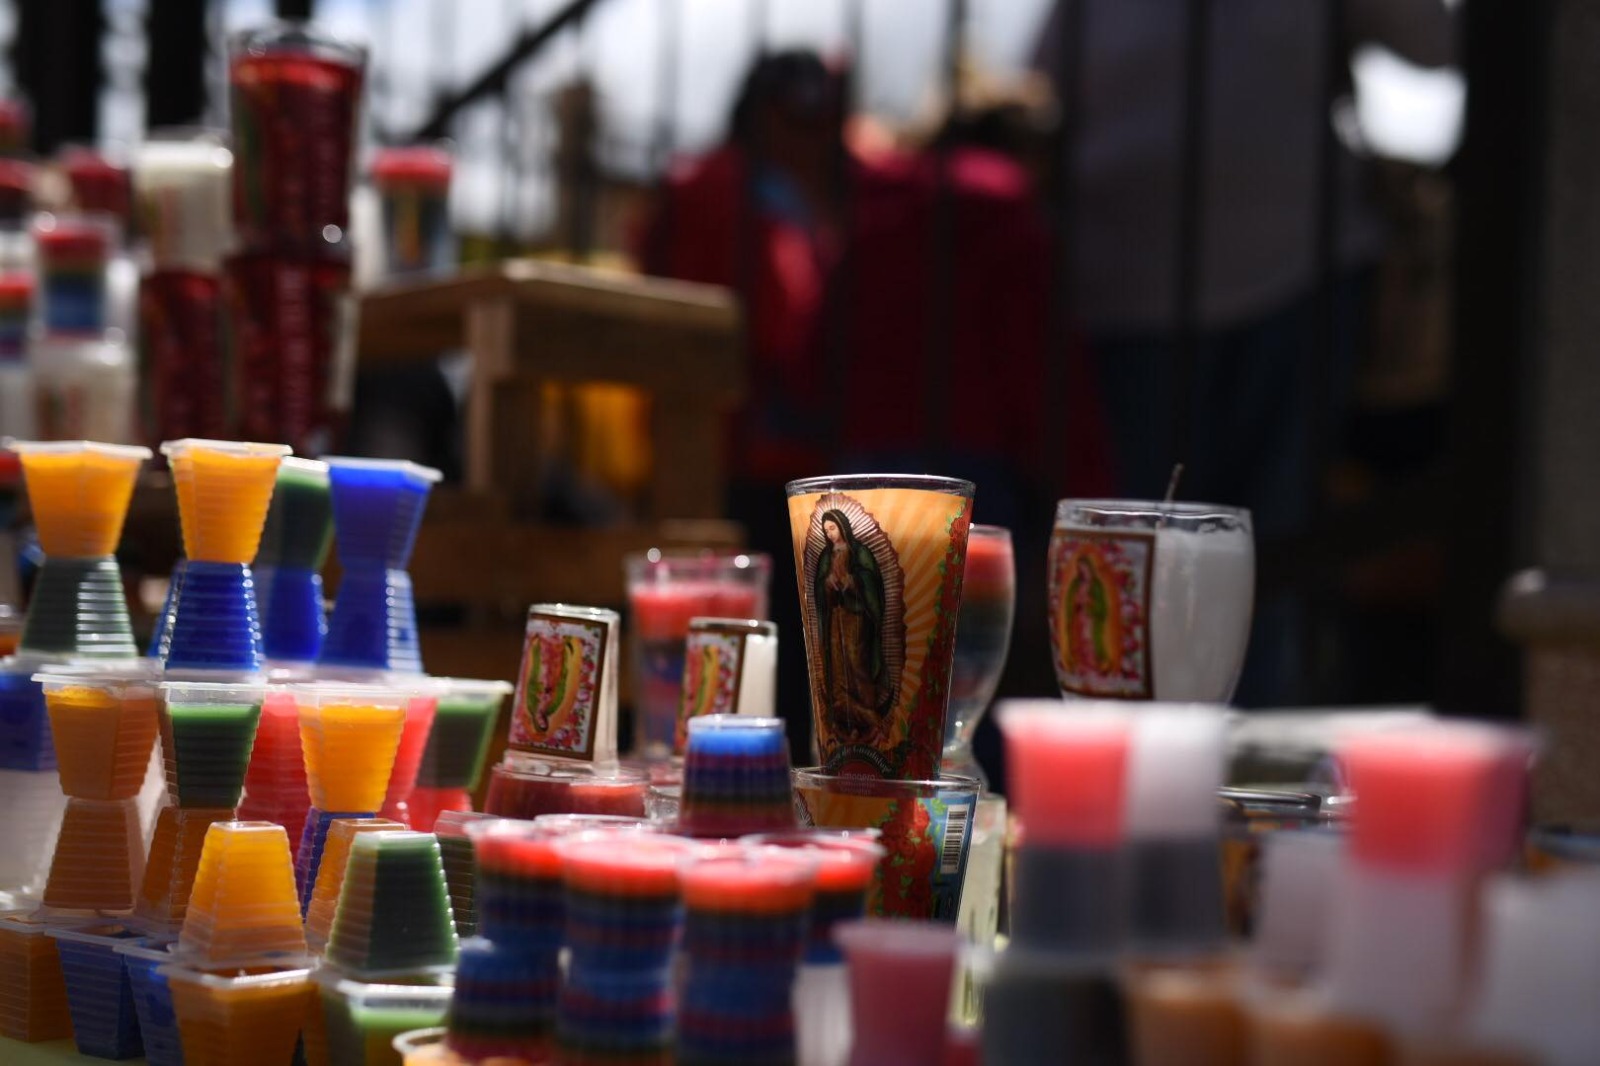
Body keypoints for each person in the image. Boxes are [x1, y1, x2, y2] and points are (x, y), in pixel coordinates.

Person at [1031, 0, 1455, 704]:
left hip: (1295, 287)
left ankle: (1234, 750)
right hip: (1127, 297)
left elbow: (1437, 43)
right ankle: (1133, 745)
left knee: (1267, 548)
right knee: (1132, 551)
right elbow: (1043, 90)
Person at [813, 508, 887, 741]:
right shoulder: (827, 555)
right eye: (826, 530)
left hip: (856, 617)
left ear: (843, 527)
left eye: (833, 528)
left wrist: (853, 582)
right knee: (837, 665)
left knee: (856, 663)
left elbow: (871, 581)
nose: (830, 534)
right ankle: (848, 720)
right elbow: (818, 586)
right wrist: (827, 585)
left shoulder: (859, 552)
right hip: (836, 615)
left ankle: (868, 714)